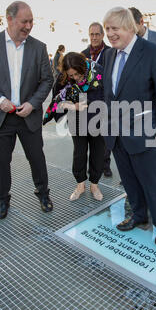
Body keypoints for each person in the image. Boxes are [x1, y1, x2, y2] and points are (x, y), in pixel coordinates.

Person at [103, 7, 156, 246]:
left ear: (129, 27)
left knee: (151, 180)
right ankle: (138, 215)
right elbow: (110, 93)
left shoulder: (154, 53)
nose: (110, 34)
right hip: (116, 133)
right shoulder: (109, 55)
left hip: (146, 131)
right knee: (129, 179)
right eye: (107, 29)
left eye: (114, 28)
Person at [0, 1, 54, 220]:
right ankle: (2, 199)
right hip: (1, 118)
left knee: (37, 158)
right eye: (24, 22)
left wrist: (32, 104)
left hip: (29, 116)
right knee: (1, 162)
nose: (28, 26)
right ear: (9, 19)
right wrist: (0, 100)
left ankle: (43, 194)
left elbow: (47, 80)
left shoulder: (39, 47)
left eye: (31, 21)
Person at [43, 52, 105, 201]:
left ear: (84, 67)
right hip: (77, 120)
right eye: (72, 76)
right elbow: (57, 101)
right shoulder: (63, 78)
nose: (75, 78)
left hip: (98, 119)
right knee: (79, 153)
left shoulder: (99, 71)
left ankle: (94, 185)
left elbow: (107, 94)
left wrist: (90, 103)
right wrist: (72, 106)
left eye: (78, 74)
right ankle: (80, 185)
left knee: (98, 153)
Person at [82, 22, 112, 177]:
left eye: (97, 34)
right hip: (87, 103)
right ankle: (92, 166)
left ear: (102, 35)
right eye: (91, 34)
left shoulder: (111, 53)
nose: (94, 37)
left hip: (105, 101)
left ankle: (105, 165)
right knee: (90, 136)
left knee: (105, 137)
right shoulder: (83, 54)